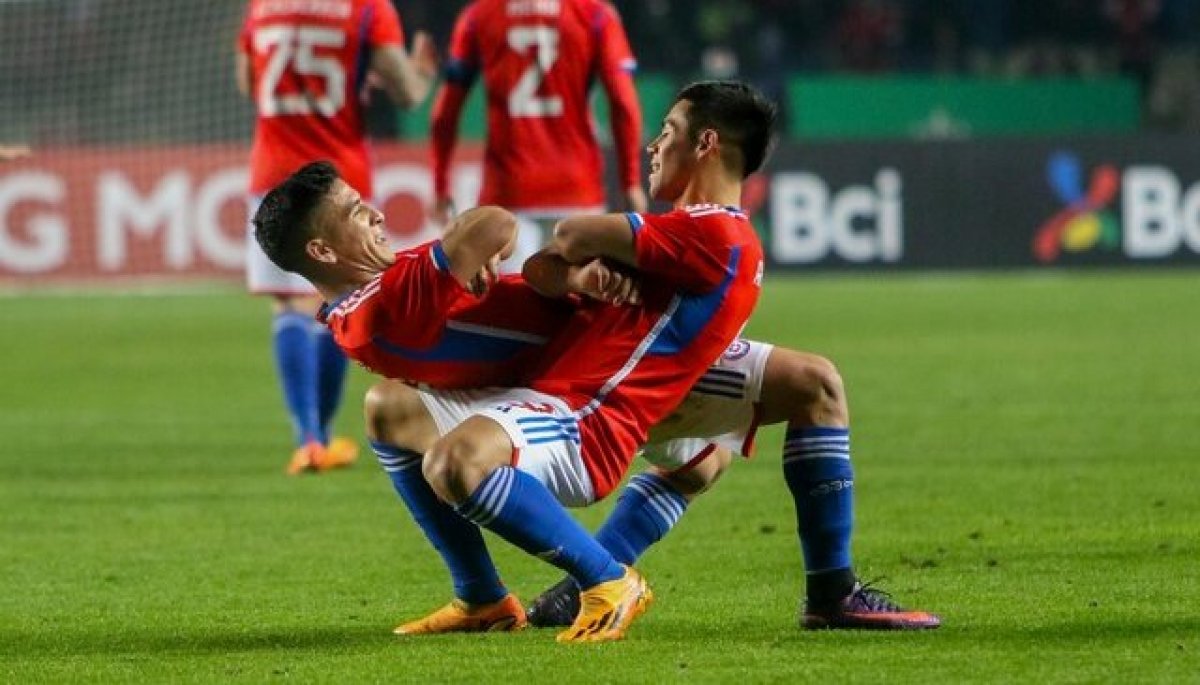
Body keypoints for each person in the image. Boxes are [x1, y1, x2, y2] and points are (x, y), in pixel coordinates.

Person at [253, 80, 775, 642]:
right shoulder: (387, 299)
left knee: (785, 404)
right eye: (358, 213)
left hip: (600, 352)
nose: (377, 215)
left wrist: (546, 273)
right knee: (715, 451)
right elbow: (496, 225)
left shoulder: (357, 309)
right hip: (597, 361)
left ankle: (520, 589)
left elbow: (504, 268)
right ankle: (571, 583)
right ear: (322, 251)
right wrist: (474, 246)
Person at [236, 0, 437, 474]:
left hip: (273, 171)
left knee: (289, 304)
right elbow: (408, 93)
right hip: (337, 177)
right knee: (341, 300)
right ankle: (322, 437)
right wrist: (422, 71)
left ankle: (308, 439)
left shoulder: (264, 7)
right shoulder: (367, 9)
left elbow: (248, 83)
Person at [429, 0, 646, 272]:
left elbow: (445, 113)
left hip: (508, 192)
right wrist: (630, 181)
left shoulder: (479, 16)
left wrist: (440, 185)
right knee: (576, 297)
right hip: (577, 190)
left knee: (510, 298)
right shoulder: (596, 15)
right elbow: (624, 104)